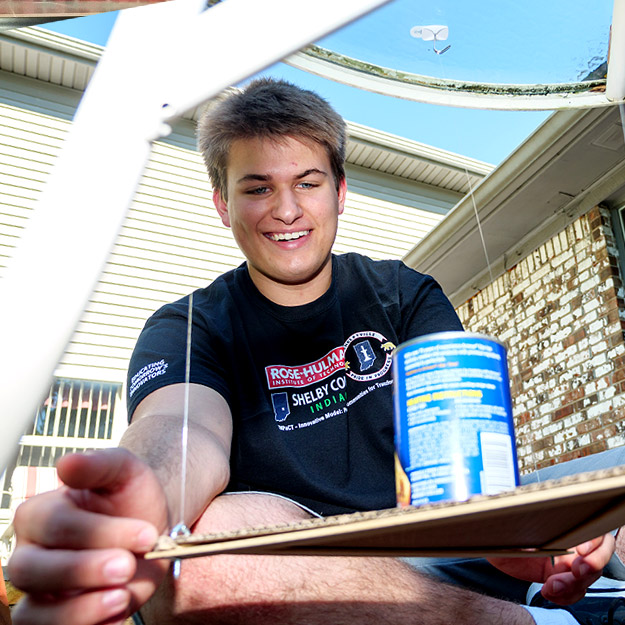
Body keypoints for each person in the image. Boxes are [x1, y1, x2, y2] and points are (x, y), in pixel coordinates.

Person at [7, 78, 620, 625]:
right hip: (309, 572)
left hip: (444, 550)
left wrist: (513, 534)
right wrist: (144, 494)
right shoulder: (191, 324)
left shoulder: (401, 293)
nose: (287, 210)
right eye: (258, 187)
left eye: (307, 182)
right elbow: (180, 430)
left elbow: (460, 440)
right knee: (209, 544)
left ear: (340, 191)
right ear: (223, 204)